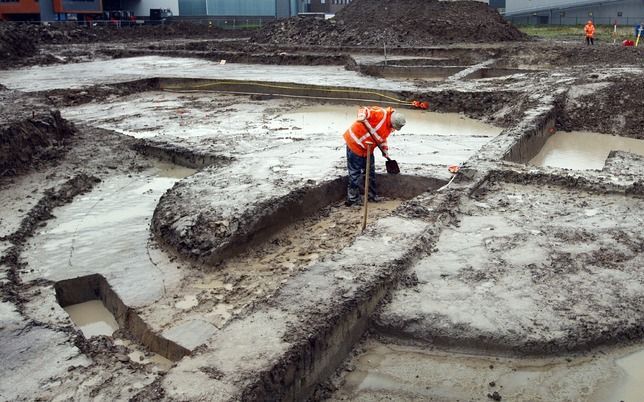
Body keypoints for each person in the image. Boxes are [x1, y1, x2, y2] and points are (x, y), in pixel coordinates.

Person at [343, 105, 406, 207]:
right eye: (394, 127)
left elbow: (381, 138)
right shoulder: (381, 113)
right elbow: (364, 110)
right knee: (355, 173)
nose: (393, 129)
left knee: (370, 172)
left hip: (368, 148)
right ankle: (353, 199)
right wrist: (362, 116)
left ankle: (372, 195)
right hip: (355, 143)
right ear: (392, 121)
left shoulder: (389, 127)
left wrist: (385, 150)